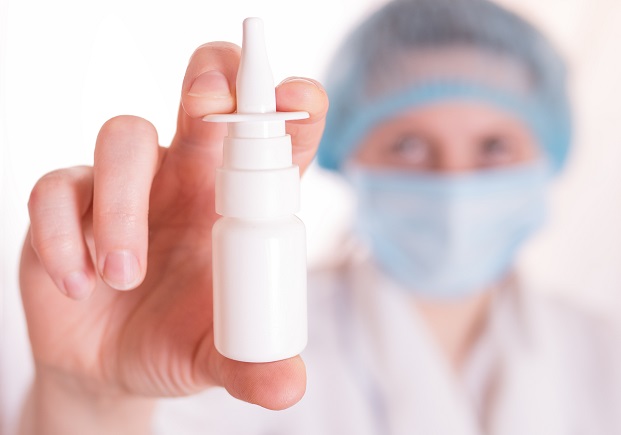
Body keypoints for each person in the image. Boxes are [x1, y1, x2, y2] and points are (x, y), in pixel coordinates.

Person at [17, 0, 621, 434]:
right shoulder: (224, 334)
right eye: (409, 145)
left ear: (550, 151)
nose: (453, 181)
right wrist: (88, 400)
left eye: (494, 146)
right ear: (349, 154)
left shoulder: (604, 354)